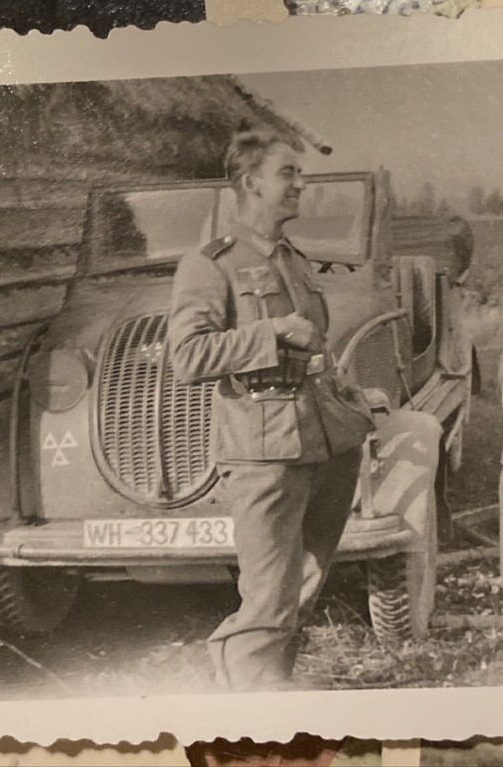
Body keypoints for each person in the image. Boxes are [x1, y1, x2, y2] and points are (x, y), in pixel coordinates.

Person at [168, 129, 375, 690]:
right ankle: (247, 706)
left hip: (324, 440)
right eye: (288, 173)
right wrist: (271, 331)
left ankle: (268, 690)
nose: (300, 184)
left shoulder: (295, 260)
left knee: (302, 584)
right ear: (249, 182)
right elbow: (186, 357)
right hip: (263, 451)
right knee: (267, 598)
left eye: (299, 174)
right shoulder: (210, 264)